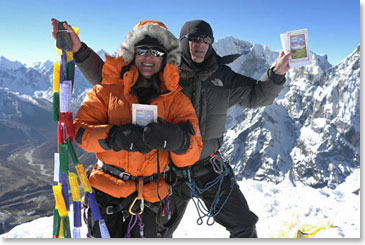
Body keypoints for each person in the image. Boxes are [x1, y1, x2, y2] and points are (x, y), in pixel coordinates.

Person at [51, 19, 293, 238]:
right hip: (166, 172)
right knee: (159, 233)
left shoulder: (220, 78)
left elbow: (256, 96)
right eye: (194, 39)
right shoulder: (164, 72)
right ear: (181, 43)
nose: (199, 45)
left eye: (206, 40)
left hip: (204, 165)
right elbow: (109, 79)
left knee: (243, 224)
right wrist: (80, 51)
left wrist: (278, 72)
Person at [57, 20, 203, 238]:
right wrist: (113, 137)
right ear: (132, 53)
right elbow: (80, 132)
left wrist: (180, 141)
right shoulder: (107, 90)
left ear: (166, 58)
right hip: (107, 190)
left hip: (151, 198)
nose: (149, 57)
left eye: (157, 51)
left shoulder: (177, 101)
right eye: (142, 49)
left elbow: (193, 151)